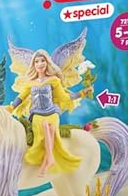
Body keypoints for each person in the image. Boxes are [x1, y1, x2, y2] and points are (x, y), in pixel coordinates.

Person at [8, 49, 91, 177]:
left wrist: (82, 93)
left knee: (50, 126)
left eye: (42, 61)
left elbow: (64, 97)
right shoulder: (30, 83)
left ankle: (49, 159)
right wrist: (12, 107)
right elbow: (21, 97)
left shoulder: (53, 80)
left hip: (52, 111)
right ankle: (49, 158)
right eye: (37, 61)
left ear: (47, 63)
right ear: (33, 65)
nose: (40, 64)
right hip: (37, 114)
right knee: (44, 126)